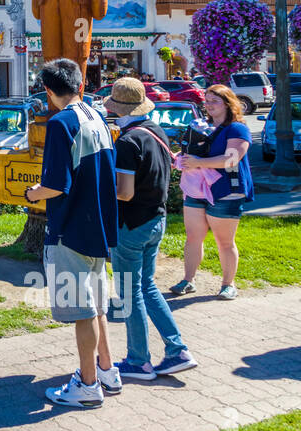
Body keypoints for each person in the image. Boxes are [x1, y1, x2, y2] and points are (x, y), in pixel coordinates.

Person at [23, 58, 119, 409]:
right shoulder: (97, 117)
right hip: (98, 223)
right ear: (80, 84)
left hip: (71, 228)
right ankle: (107, 370)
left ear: (48, 91)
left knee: (81, 310)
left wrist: (32, 194)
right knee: (97, 305)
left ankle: (88, 384)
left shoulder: (61, 123)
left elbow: (55, 185)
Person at [104, 78, 197, 380]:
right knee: (147, 286)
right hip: (156, 220)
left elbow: (125, 192)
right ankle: (176, 349)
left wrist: (98, 186)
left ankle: (139, 360)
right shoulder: (156, 132)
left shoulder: (128, 142)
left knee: (130, 294)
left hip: (131, 225)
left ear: (118, 109)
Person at [170, 84, 253, 300]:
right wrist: (181, 158)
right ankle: (188, 280)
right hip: (197, 191)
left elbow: (231, 159)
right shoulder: (202, 126)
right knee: (192, 238)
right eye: (206, 100)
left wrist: (198, 162)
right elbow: (193, 151)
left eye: (214, 101)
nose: (208, 105)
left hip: (226, 191)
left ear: (228, 103)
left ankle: (228, 284)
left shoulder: (237, 129)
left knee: (224, 242)